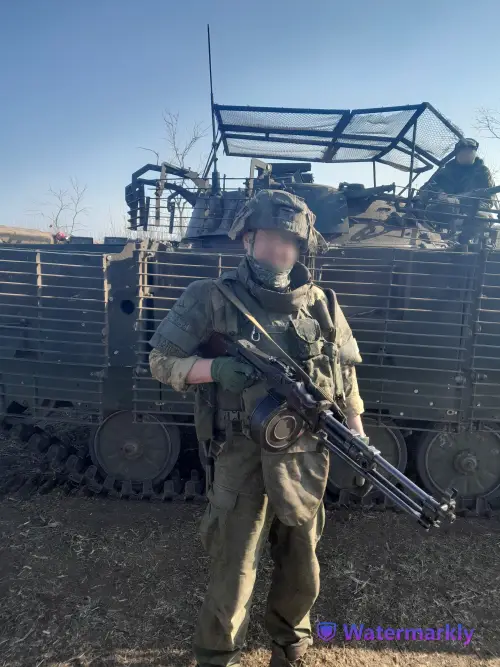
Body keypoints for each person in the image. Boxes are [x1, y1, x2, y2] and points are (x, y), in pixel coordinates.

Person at [148, 189, 366, 667]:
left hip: (304, 455)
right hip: (239, 456)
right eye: (269, 238)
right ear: (247, 240)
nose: (279, 249)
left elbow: (345, 375)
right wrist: (212, 369)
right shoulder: (210, 298)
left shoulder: (321, 303)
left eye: (290, 241)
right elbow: (160, 360)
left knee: (302, 567)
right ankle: (218, 656)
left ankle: (291, 647)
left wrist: (357, 430)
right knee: (235, 569)